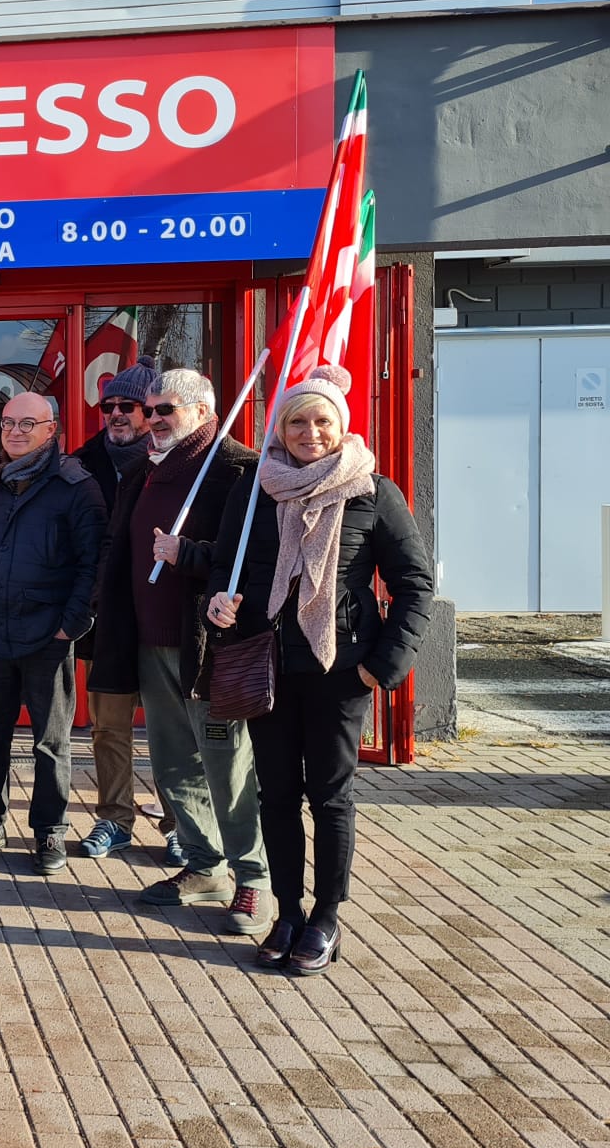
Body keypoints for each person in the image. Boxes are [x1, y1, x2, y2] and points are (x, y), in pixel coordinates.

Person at [207, 365, 433, 975]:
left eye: (322, 421)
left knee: (330, 796)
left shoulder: (372, 491)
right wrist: (220, 606)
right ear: (279, 428)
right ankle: (287, 912)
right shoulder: (254, 488)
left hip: (340, 671)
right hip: (267, 666)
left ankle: (328, 917)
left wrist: (380, 668)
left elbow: (416, 586)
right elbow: (224, 569)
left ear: (341, 426)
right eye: (297, 421)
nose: (310, 432)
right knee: (275, 794)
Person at [92, 370, 270, 935]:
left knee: (226, 764)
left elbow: (250, 555)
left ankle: (254, 877)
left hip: (208, 648)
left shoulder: (238, 468)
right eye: (149, 410)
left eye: (165, 408)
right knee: (172, 763)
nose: (153, 418)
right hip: (149, 644)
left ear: (203, 410)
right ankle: (204, 864)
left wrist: (186, 553)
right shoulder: (144, 471)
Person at [0, 391, 106, 874]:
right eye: (7, 423)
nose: (15, 432)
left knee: (50, 742)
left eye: (27, 423)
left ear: (51, 429)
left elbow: (93, 564)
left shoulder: (76, 486)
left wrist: (71, 624)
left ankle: (49, 831)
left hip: (48, 636)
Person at [71, 355, 179, 863]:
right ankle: (115, 819)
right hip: (104, 620)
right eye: (108, 404)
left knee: (170, 728)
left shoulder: (181, 464)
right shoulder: (77, 463)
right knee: (108, 726)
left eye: (128, 405)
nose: (116, 413)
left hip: (163, 616)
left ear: (152, 411)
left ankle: (181, 823)